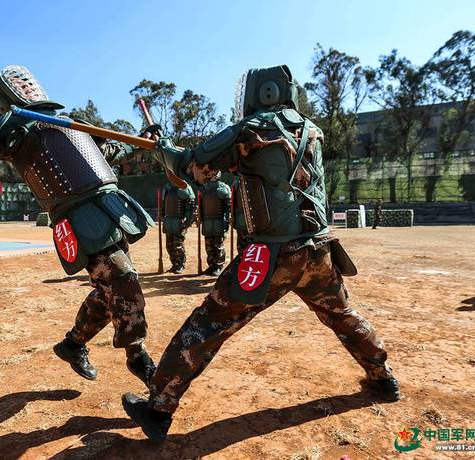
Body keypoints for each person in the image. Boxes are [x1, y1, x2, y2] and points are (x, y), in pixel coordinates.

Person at [122, 65, 401, 441]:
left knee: (207, 324)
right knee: (343, 315)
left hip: (273, 255)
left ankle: (158, 408)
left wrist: (162, 149)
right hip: (319, 249)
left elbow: (196, 168)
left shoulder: (249, 130)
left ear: (261, 92)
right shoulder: (312, 130)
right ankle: (383, 378)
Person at [0, 65, 156, 386]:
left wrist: (142, 141)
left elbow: (112, 149)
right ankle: (139, 357)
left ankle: (73, 345)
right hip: (78, 218)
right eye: (19, 83)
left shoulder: (73, 122)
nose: (28, 86)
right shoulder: (11, 127)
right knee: (123, 281)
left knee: (111, 292)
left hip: (109, 209)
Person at [198, 175, 231, 276]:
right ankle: (211, 266)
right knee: (209, 246)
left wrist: (227, 220)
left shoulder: (223, 188)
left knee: (218, 245)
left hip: (219, 221)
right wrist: (200, 217)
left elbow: (228, 207)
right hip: (207, 221)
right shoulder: (204, 188)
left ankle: (218, 266)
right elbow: (201, 206)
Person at [161, 181, 196, 274]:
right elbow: (164, 205)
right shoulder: (168, 187)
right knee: (169, 245)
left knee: (178, 245)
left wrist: (187, 222)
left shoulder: (185, 187)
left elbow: (191, 208)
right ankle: (174, 264)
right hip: (169, 221)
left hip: (179, 221)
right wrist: (162, 215)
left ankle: (180, 264)